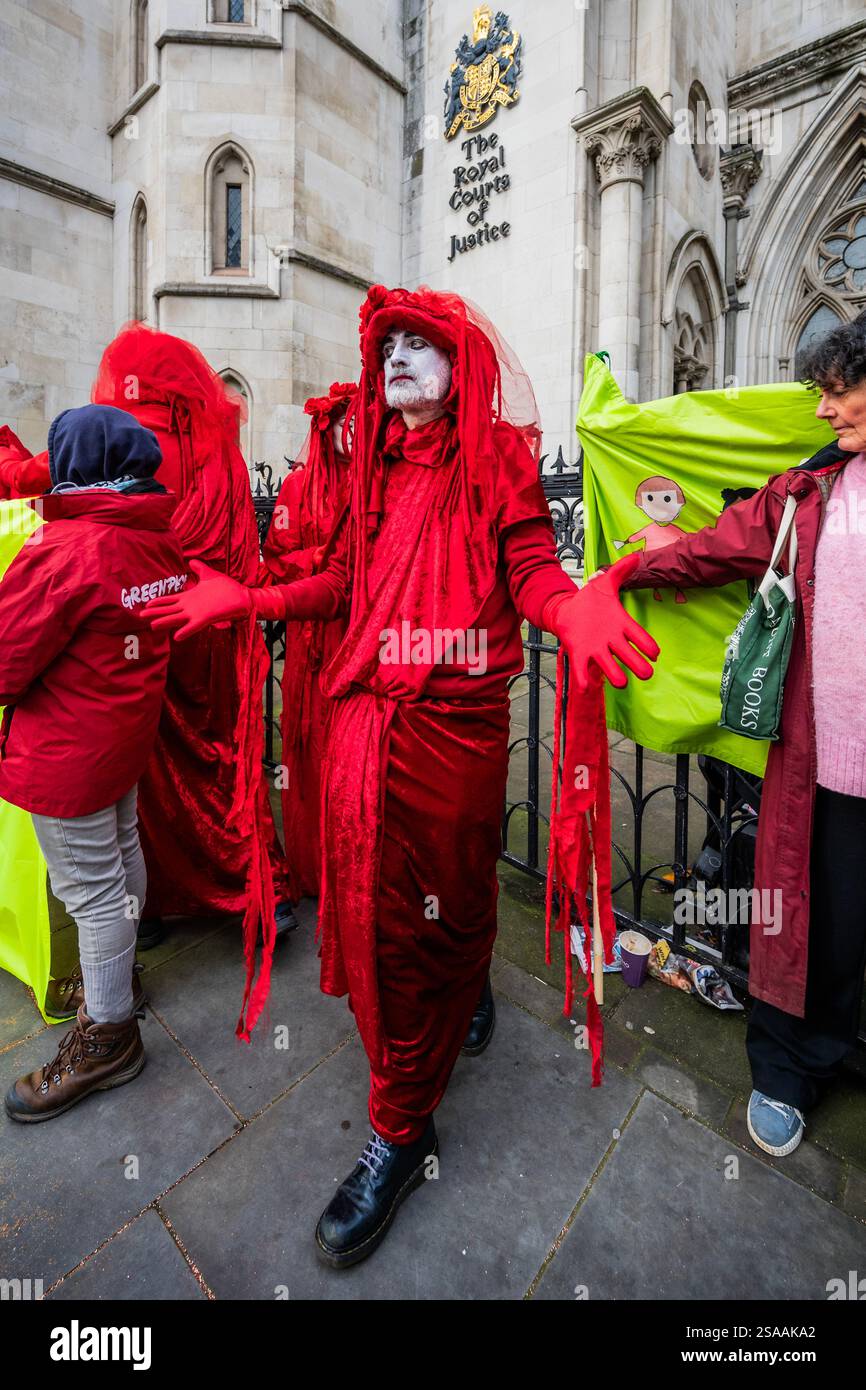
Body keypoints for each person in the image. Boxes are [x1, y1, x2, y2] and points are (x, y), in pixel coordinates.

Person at [145, 285, 658, 1266]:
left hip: (452, 741)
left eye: (421, 342)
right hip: (361, 735)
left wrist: (568, 608)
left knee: (450, 903)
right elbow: (340, 583)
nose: (398, 357)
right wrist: (249, 596)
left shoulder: (497, 459)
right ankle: (400, 1124)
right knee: (387, 934)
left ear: (458, 363)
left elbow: (530, 571)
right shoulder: (370, 470)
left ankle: (457, 1002)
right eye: (390, 344)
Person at [620, 308, 866, 1158]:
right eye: (823, 393)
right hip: (817, 760)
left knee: (850, 927)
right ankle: (786, 1068)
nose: (826, 410)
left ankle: (833, 1047)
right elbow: (720, 546)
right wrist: (638, 562)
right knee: (798, 913)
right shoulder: (811, 486)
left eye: (841, 391)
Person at [1, 405, 187, 1121]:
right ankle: (120, 984)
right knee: (121, 851)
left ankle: (109, 1036)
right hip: (119, 739)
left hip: (67, 752)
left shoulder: (67, 548)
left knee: (91, 891)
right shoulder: (152, 539)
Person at [89, 325, 295, 950]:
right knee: (221, 766)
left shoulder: (131, 441)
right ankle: (246, 893)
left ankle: (154, 902)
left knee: (155, 778)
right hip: (200, 640)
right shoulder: (216, 451)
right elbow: (239, 552)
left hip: (152, 638)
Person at [259, 383, 357, 898]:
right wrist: (325, 565)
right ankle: (316, 869)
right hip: (314, 635)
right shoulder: (298, 489)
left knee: (354, 756)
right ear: (327, 428)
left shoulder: (378, 480)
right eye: (345, 423)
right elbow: (276, 560)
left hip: (363, 635)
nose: (354, 433)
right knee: (309, 750)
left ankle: (355, 869)